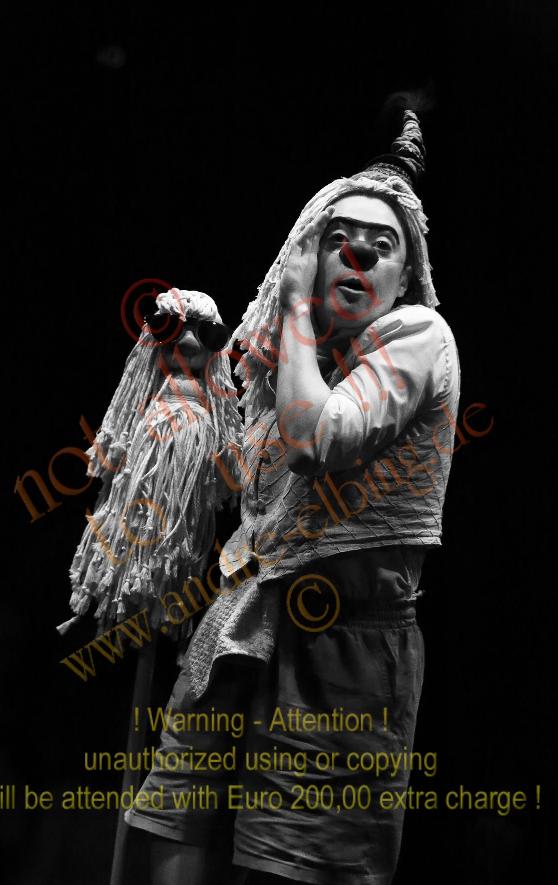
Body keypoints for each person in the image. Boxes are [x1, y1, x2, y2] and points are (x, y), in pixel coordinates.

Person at [124, 108, 460, 885]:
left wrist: (296, 310)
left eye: (383, 245)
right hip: (243, 616)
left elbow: (314, 441)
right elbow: (240, 482)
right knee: (178, 822)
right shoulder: (282, 358)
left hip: (342, 655)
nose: (359, 251)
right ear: (308, 249)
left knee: (290, 864)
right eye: (340, 236)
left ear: (405, 277)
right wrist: (184, 377)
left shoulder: (419, 337)